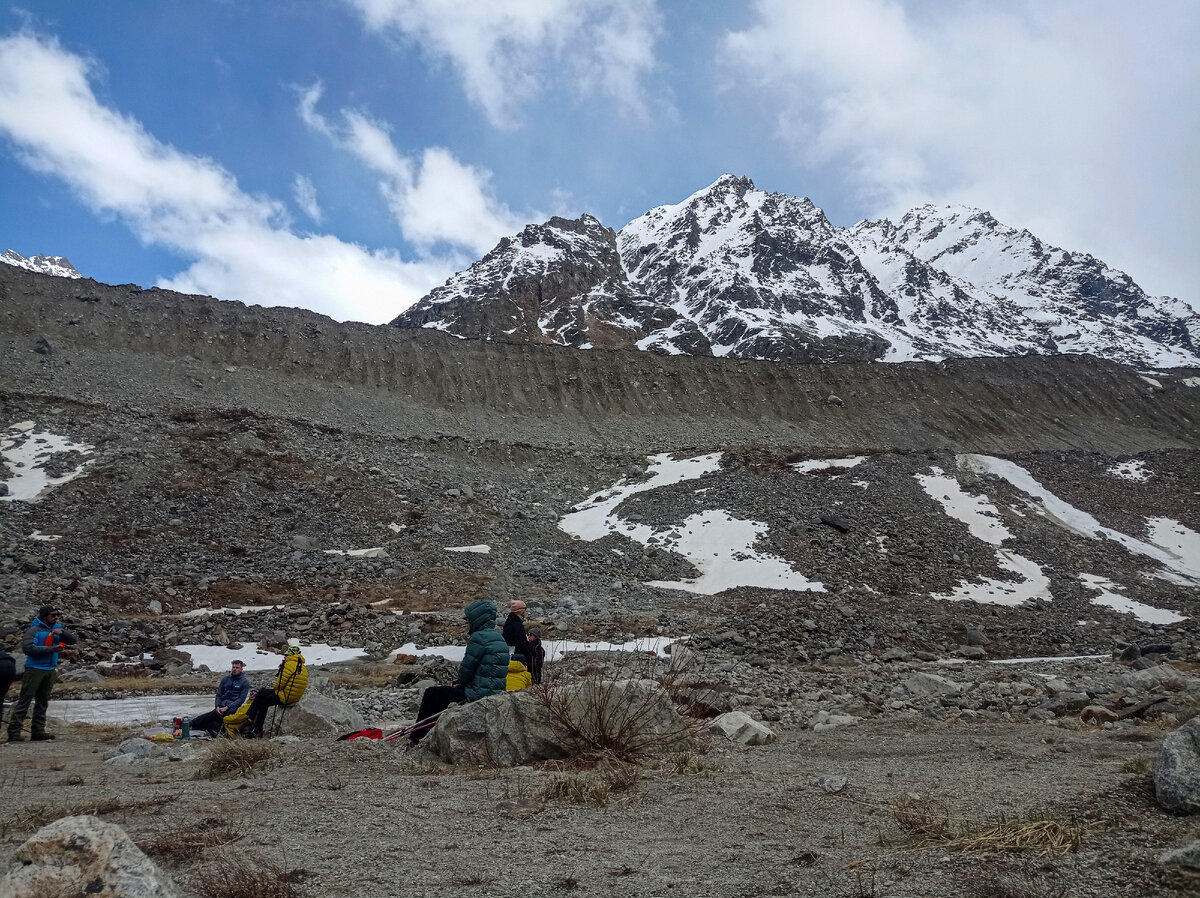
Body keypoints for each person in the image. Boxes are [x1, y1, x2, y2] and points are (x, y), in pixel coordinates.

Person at [408, 600, 508, 745]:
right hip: (494, 693)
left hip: (477, 695)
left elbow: (465, 672)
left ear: (477, 619)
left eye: (468, 620)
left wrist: (460, 682)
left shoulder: (478, 638)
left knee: (432, 694)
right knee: (445, 695)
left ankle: (415, 739)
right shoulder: (498, 637)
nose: (466, 623)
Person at [7, 605, 78, 742]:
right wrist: (51, 649)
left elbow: (73, 640)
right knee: (25, 700)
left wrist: (62, 633)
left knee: (43, 701)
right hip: (34, 669)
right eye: (53, 615)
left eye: (58, 615)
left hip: (50, 670)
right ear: (45, 616)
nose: (56, 618)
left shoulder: (57, 628)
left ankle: (38, 731)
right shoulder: (34, 630)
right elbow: (28, 649)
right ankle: (14, 732)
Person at [189, 659, 251, 737]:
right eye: (233, 667)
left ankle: (191, 723)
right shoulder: (225, 680)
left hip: (231, 710)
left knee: (212, 715)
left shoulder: (244, 682)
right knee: (210, 720)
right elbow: (219, 694)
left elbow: (241, 699)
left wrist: (227, 707)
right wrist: (217, 706)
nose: (235, 669)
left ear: (241, 669)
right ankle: (194, 728)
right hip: (221, 707)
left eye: (237, 667)